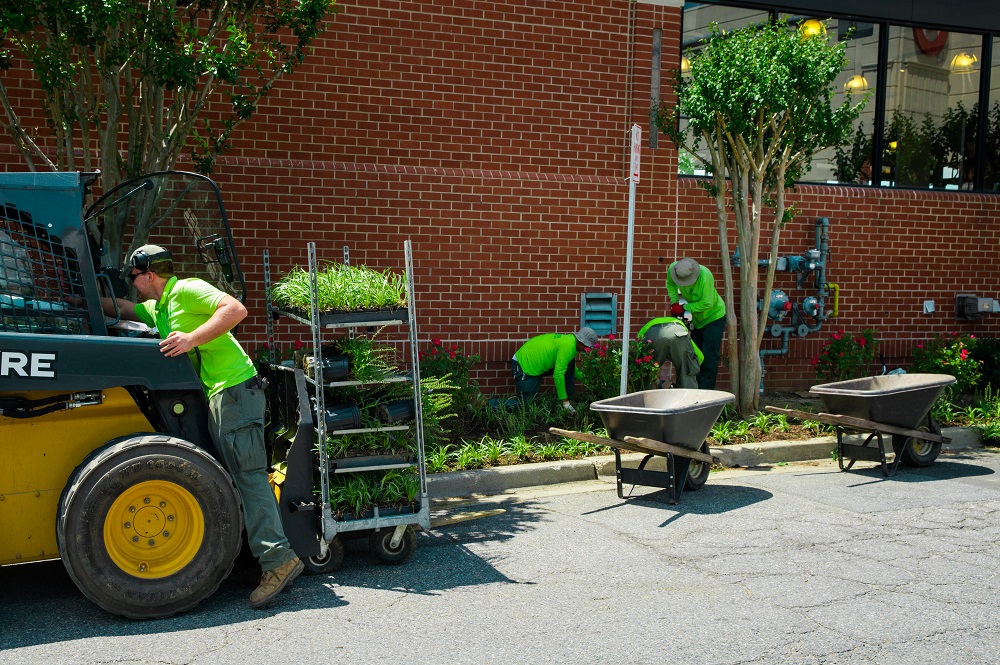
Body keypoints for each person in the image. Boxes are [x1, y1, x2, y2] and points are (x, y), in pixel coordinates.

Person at [104, 244, 303, 609]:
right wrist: (79, 295)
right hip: (220, 394)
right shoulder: (160, 307)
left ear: (149, 274)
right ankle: (256, 558)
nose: (132, 284)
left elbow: (236, 309)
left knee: (249, 478)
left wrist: (191, 339)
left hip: (235, 390)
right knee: (232, 477)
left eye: (134, 277)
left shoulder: (187, 289)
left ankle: (279, 560)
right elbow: (126, 310)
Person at [666, 258, 726, 389]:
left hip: (713, 316)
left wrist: (684, 308)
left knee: (709, 356)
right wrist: (674, 302)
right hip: (698, 319)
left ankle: (707, 392)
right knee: (696, 354)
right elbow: (670, 284)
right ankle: (695, 387)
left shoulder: (705, 276)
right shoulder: (673, 269)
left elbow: (707, 303)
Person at [511, 327, 598, 412]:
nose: (587, 350)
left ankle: (568, 399)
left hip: (536, 363)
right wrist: (564, 401)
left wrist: (589, 381)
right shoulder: (568, 346)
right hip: (524, 365)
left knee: (569, 365)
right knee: (525, 406)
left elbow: (572, 370)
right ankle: (500, 406)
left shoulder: (571, 342)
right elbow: (558, 374)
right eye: (587, 347)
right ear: (581, 342)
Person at [637, 316, 703, 389]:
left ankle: (641, 397)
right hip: (678, 332)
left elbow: (638, 355)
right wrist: (689, 367)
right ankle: (689, 399)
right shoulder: (683, 327)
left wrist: (654, 377)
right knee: (687, 373)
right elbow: (700, 356)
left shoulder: (646, 327)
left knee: (644, 372)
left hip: (652, 334)